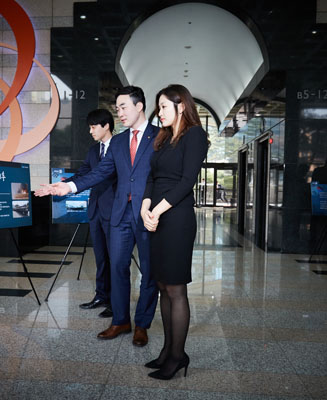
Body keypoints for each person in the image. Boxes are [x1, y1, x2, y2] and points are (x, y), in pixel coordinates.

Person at [41, 86, 158, 346]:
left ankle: (142, 324)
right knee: (117, 268)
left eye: (123, 106)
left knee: (149, 271)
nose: (120, 112)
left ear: (139, 106)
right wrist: (68, 186)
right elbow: (99, 172)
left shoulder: (160, 137)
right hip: (119, 215)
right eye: (117, 108)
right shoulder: (117, 142)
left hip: (147, 214)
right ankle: (120, 320)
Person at [141, 84, 209, 380]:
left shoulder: (195, 135)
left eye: (164, 107)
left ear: (181, 106)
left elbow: (186, 182)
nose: (160, 112)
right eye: (158, 108)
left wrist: (157, 210)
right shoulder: (163, 137)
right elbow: (151, 178)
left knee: (176, 288)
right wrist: (145, 207)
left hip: (177, 218)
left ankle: (178, 356)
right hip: (156, 218)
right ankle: (168, 350)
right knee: (162, 286)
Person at [58, 109, 116, 318]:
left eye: (93, 127)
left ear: (106, 125)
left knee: (115, 260)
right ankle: (102, 295)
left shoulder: (119, 147)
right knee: (101, 257)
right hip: (96, 211)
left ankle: (115, 303)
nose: (90, 131)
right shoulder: (93, 151)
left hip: (115, 212)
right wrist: (63, 184)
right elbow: (83, 173)